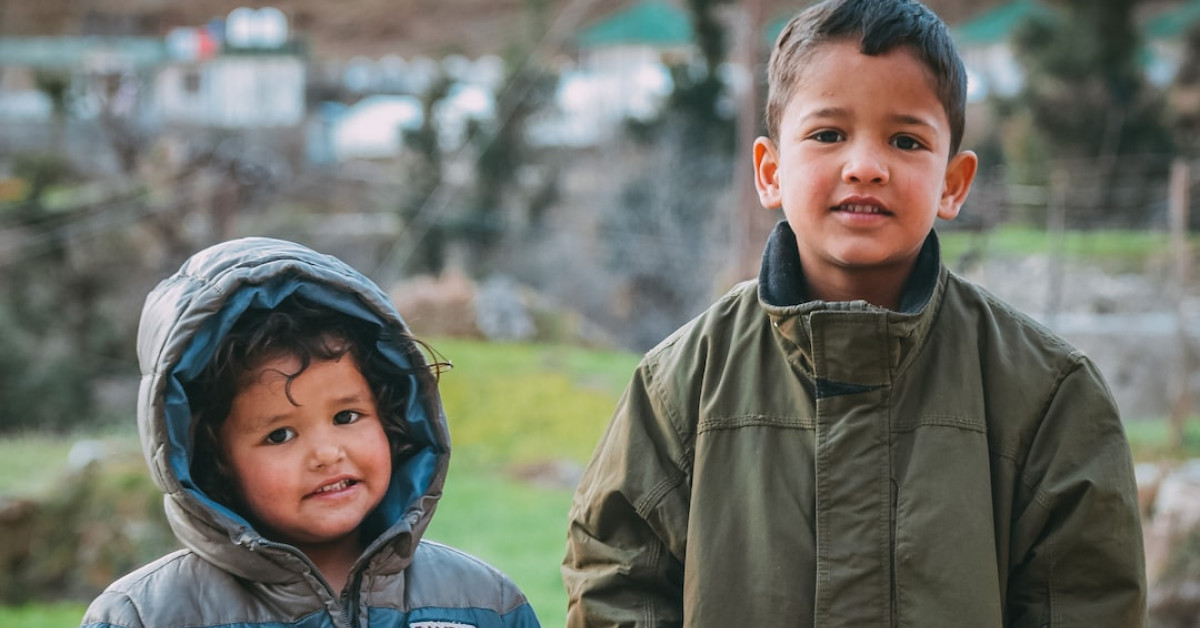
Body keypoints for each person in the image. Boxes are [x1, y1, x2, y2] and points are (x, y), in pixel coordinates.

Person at [561, 0, 1147, 625]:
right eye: (828, 134)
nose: (865, 166)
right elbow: (616, 581)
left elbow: (1087, 600)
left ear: (953, 182)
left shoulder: (1048, 394)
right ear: (770, 171)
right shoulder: (680, 387)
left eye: (905, 140)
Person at [81, 237, 541, 628]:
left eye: (347, 417)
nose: (326, 453)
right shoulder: (146, 615)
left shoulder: (484, 604)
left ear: (392, 414)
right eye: (280, 435)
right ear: (209, 458)